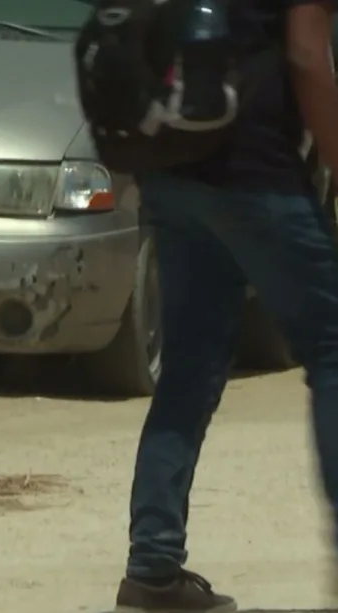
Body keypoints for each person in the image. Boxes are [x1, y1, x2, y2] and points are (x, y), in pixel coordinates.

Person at [114, 1, 338, 612]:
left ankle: (152, 570)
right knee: (331, 351)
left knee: (188, 366)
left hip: (174, 168)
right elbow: (306, 52)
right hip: (256, 167)